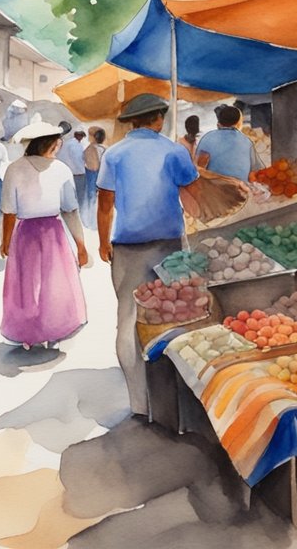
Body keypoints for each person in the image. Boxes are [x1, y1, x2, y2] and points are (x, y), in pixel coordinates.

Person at [97, 94, 201, 417]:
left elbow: (104, 205)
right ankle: (176, 400)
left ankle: (139, 404)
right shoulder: (175, 151)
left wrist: (104, 242)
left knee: (127, 322)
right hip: (169, 245)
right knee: (175, 316)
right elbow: (193, 195)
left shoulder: (113, 154)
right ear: (157, 119)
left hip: (128, 248)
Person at [0, 123, 89, 351]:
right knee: (53, 284)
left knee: (26, 285)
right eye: (58, 140)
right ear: (51, 143)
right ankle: (53, 331)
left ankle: (28, 334)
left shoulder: (15, 168)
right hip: (53, 232)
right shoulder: (61, 169)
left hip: (26, 233)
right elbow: (71, 210)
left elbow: (8, 212)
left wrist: (6, 241)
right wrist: (80, 245)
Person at [196, 105, 263, 182]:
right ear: (238, 122)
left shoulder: (207, 138)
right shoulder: (246, 141)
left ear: (219, 122)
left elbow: (198, 167)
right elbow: (256, 170)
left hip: (214, 189)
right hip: (240, 189)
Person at [57, 125, 88, 218]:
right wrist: (84, 171)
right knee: (79, 197)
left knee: (69, 196)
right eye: (80, 135)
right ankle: (80, 216)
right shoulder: (76, 145)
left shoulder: (68, 143)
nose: (81, 137)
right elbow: (77, 160)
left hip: (67, 173)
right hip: (76, 173)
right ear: (76, 135)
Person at [83, 127, 107, 224]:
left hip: (92, 175)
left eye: (89, 135)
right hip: (101, 176)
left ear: (94, 137)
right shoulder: (105, 148)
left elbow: (93, 166)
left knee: (91, 198)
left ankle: (92, 222)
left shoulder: (91, 149)